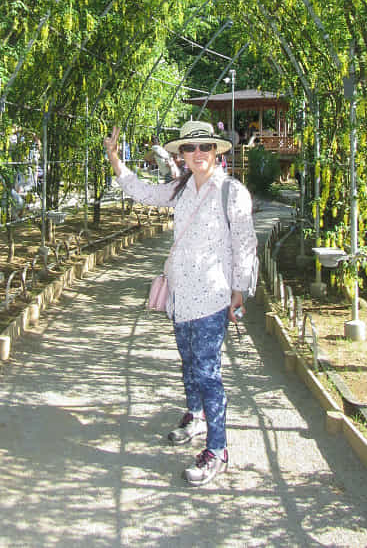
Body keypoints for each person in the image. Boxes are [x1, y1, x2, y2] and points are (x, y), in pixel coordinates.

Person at [103, 120, 257, 487]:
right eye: (190, 148)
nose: (198, 154)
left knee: (208, 372)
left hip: (213, 296)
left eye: (205, 147)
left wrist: (241, 289)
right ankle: (195, 414)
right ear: (181, 154)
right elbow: (142, 191)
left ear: (217, 151)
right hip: (180, 294)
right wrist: (114, 159)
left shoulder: (232, 192)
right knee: (188, 362)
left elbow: (246, 244)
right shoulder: (181, 188)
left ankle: (217, 450)